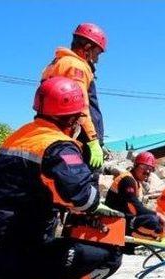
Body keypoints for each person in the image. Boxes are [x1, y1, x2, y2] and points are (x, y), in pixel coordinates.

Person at [0, 77, 123, 279]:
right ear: (72, 119)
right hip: (9, 253)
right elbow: (81, 196)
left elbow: (36, 189)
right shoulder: (57, 146)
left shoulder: (22, 136)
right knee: (109, 256)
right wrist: (97, 205)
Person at [41, 23, 108, 170]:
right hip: (80, 138)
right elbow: (80, 106)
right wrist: (93, 140)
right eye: (97, 53)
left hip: (58, 136)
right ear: (87, 47)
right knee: (85, 184)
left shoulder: (57, 64)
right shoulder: (76, 66)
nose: (97, 59)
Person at [104, 151, 165, 243]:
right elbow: (136, 208)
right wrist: (157, 214)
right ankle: (138, 242)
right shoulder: (127, 180)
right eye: (144, 167)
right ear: (136, 165)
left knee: (155, 220)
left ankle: (153, 238)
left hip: (124, 219)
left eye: (150, 169)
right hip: (115, 220)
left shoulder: (136, 182)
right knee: (152, 220)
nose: (147, 172)